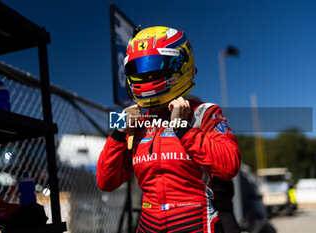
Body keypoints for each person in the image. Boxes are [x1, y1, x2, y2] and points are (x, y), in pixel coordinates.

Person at [97, 26, 241, 233]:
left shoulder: (204, 112)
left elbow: (228, 166)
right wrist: (118, 134)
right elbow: (106, 182)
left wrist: (182, 127)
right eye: (137, 69)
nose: (145, 75)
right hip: (148, 224)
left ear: (180, 64)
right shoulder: (133, 120)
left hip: (194, 223)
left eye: (152, 67)